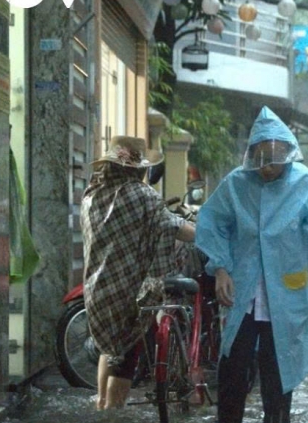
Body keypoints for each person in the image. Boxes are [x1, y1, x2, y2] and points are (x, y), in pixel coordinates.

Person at [195, 106, 308, 423]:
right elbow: (213, 224)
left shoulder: (307, 184)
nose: (267, 167)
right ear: (251, 155)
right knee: (233, 367)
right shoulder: (236, 184)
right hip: (243, 293)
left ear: (287, 153)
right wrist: (221, 268)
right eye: (261, 159)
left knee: (279, 371)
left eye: (274, 159)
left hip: (286, 295)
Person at [81, 136, 196, 409]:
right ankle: (114, 411)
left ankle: (102, 406)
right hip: (130, 291)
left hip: (97, 288)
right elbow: (173, 227)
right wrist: (202, 233)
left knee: (110, 350)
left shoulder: (91, 195)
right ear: (137, 170)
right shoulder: (142, 195)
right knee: (127, 354)